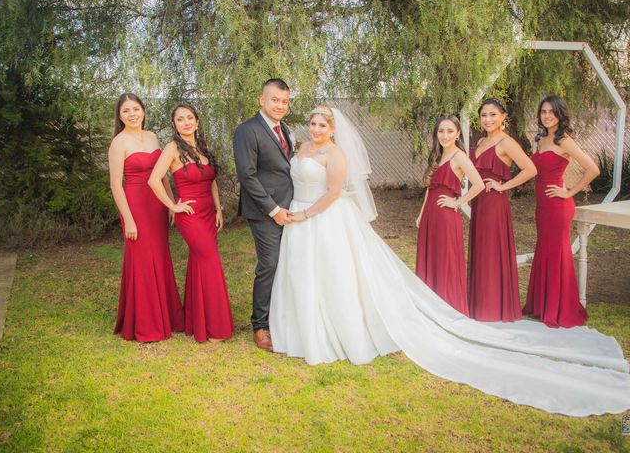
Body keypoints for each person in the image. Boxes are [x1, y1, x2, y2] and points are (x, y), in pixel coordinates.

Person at [269, 104, 630, 417]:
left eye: (322, 124)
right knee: (308, 274)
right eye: (313, 123)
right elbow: (433, 188)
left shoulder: (459, 154)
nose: (316, 129)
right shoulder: (304, 147)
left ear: (332, 129)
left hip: (332, 216)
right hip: (311, 216)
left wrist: (463, 201)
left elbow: (335, 190)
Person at [148, 104, 234, 343]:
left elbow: (212, 181)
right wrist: (173, 205)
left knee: (200, 263)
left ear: (197, 122)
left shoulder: (202, 147)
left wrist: (218, 208)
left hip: (209, 213)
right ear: (174, 124)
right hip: (191, 214)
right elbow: (153, 180)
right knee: (210, 261)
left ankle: (197, 321)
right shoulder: (172, 148)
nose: (185, 122)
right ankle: (216, 326)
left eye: (189, 118)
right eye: (180, 119)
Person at [108, 93, 184, 342]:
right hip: (135, 205)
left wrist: (171, 204)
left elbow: (161, 174)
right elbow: (116, 185)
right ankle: (146, 323)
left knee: (160, 257)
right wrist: (128, 219)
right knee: (141, 261)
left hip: (157, 204)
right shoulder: (118, 143)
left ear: (143, 111)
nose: (132, 114)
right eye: (126, 111)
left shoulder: (152, 137)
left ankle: (167, 317)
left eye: (136, 109)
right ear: (120, 116)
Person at [523, 96, 600, 327]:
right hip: (543, 206)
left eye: (551, 112)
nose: (546, 116)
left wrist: (569, 192)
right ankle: (543, 305)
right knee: (545, 251)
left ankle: (558, 308)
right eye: (543, 111)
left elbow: (592, 169)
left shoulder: (563, 140)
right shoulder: (542, 139)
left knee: (556, 253)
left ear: (560, 114)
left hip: (558, 206)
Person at [233, 78, 295, 351]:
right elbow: (247, 175)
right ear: (261, 99)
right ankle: (260, 326)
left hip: (291, 209)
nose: (280, 105)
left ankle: (283, 317)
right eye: (275, 100)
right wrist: (273, 210)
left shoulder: (288, 130)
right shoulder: (247, 130)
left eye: (284, 101)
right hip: (264, 212)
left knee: (290, 263)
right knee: (269, 265)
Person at [468, 99, 537, 321]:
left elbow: (530, 169)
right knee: (481, 249)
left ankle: (492, 307)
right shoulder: (480, 142)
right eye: (484, 115)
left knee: (491, 250)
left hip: (494, 204)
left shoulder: (506, 142)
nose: (487, 119)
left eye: (492, 115)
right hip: (479, 203)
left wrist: (503, 186)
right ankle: (480, 304)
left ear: (503, 117)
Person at [416, 115, 484, 315]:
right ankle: (431, 308)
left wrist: (457, 202)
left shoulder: (459, 156)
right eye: (441, 131)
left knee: (445, 262)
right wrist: (421, 214)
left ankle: (449, 309)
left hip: (446, 218)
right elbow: (430, 188)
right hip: (430, 216)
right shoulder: (438, 156)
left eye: (449, 131)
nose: (444, 136)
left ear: (458, 134)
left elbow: (479, 184)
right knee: (431, 260)